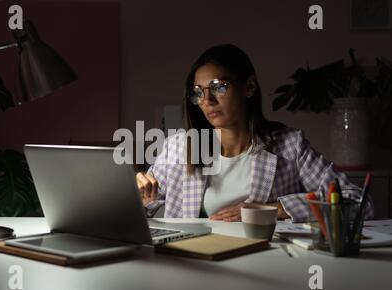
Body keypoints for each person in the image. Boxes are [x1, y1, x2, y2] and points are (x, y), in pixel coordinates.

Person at [136, 44, 373, 222]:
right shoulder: (178, 147)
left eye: (219, 87)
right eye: (198, 92)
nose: (207, 100)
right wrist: (141, 199)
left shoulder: (290, 145)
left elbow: (357, 201)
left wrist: (274, 209)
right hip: (193, 265)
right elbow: (147, 207)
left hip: (264, 263)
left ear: (249, 87)